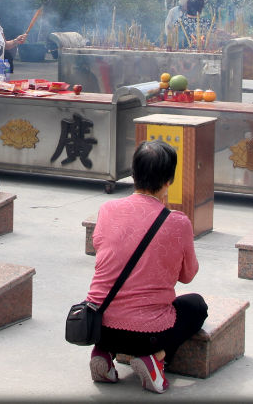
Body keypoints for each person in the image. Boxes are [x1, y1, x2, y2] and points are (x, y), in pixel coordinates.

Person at [85, 140, 207, 393]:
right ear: (169, 181)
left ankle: (103, 354)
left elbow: (102, 251)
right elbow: (188, 276)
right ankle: (154, 357)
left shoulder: (107, 209)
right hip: (148, 334)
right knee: (196, 306)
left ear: (133, 174)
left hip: (97, 324)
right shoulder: (178, 222)